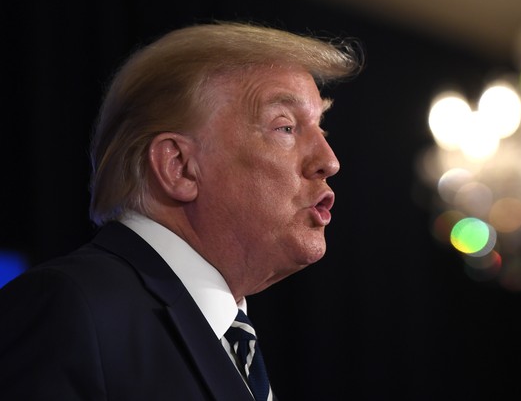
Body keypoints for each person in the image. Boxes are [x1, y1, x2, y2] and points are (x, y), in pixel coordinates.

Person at [0, 21, 362, 399]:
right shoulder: (71, 307)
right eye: (285, 127)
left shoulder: (234, 343)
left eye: (322, 129)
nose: (329, 161)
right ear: (179, 166)